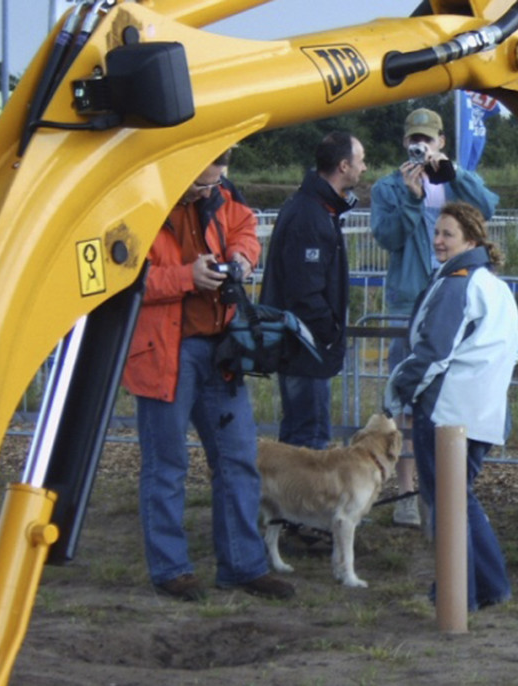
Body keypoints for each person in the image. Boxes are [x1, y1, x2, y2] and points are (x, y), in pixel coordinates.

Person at [122, 149, 294, 601]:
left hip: (218, 351)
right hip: (165, 353)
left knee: (238, 461)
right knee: (167, 466)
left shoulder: (221, 198)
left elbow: (246, 230)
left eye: (215, 182)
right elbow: (123, 279)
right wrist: (186, 277)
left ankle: (240, 565)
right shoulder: (137, 209)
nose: (209, 190)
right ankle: (172, 569)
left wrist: (239, 260)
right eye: (201, 184)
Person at [383, 201, 518, 611]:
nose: (438, 241)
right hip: (483, 412)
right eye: (437, 232)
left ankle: (457, 595)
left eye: (448, 234)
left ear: (471, 241)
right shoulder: (496, 286)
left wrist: (397, 392)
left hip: (447, 412)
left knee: (447, 503)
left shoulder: (457, 283)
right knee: (460, 499)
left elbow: (433, 352)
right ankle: (489, 585)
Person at [371, 107, 499, 528]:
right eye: (414, 140)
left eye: (428, 139)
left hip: (456, 297)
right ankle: (409, 492)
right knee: (409, 400)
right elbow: (387, 237)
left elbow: (487, 210)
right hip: (410, 299)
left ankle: (447, 491)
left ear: (441, 141)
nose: (420, 146)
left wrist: (452, 174)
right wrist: (411, 199)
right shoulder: (390, 186)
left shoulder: (454, 178)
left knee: (453, 394)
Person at [260, 131, 366, 449]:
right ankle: (296, 498)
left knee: (298, 434)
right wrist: (329, 331)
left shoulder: (316, 208)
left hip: (303, 343)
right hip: (305, 346)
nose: (364, 168)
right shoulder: (311, 215)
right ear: (344, 165)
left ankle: (285, 496)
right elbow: (304, 289)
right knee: (309, 439)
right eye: (361, 161)